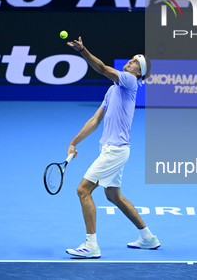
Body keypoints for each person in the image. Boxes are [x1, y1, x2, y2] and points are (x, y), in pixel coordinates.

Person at [64, 36, 159, 259]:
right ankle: (148, 238)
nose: (131, 60)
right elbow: (95, 120)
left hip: (114, 150)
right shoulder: (113, 90)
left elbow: (101, 68)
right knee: (114, 196)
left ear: (138, 71)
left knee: (83, 190)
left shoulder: (129, 81)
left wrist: (83, 50)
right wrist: (73, 142)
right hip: (114, 149)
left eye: (136, 61)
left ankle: (91, 245)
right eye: (132, 58)